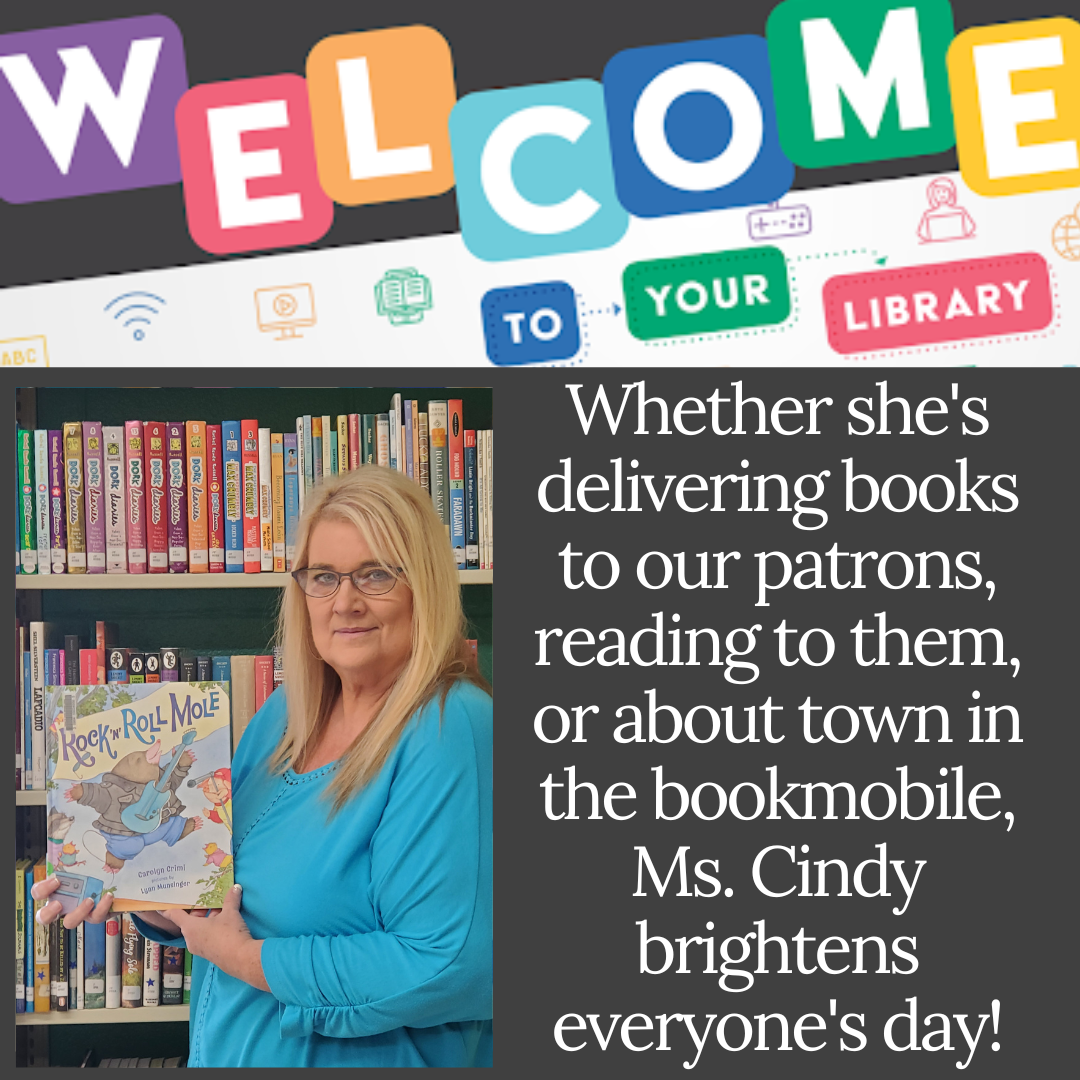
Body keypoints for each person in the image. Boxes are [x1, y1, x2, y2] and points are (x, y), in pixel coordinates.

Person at [33, 467, 493, 1067]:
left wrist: (245, 960)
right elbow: (225, 894)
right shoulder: (285, 715)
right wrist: (141, 894)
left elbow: (451, 964)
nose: (345, 601)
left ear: (424, 586)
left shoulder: (453, 726)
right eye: (323, 577)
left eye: (376, 573)